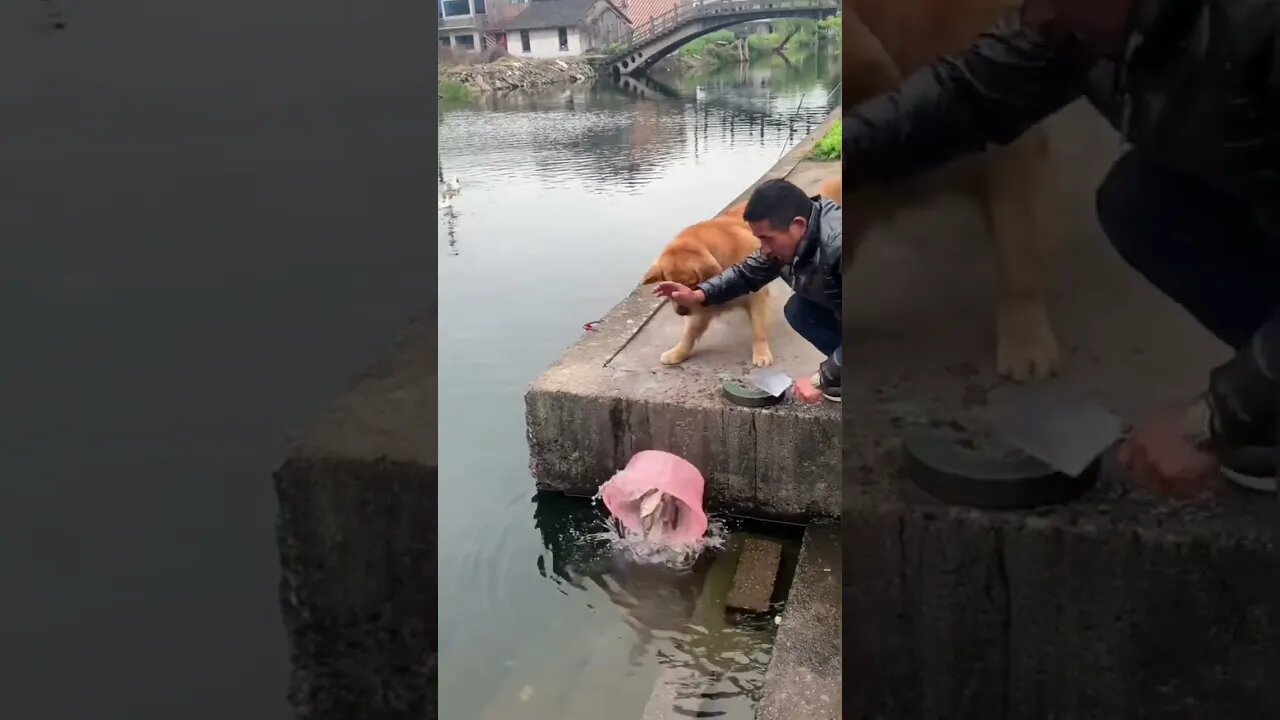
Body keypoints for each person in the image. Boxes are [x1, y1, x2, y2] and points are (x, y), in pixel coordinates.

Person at [842, 0, 1278, 493]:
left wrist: (1213, 420)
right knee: (1141, 202)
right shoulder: (1074, 24)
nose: (1031, 15)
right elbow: (966, 93)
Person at [652, 179, 843, 404]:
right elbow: (747, 273)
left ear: (798, 225)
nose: (764, 248)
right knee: (799, 310)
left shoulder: (843, 249)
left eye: (766, 238)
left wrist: (821, 379)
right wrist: (699, 294)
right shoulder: (787, 244)